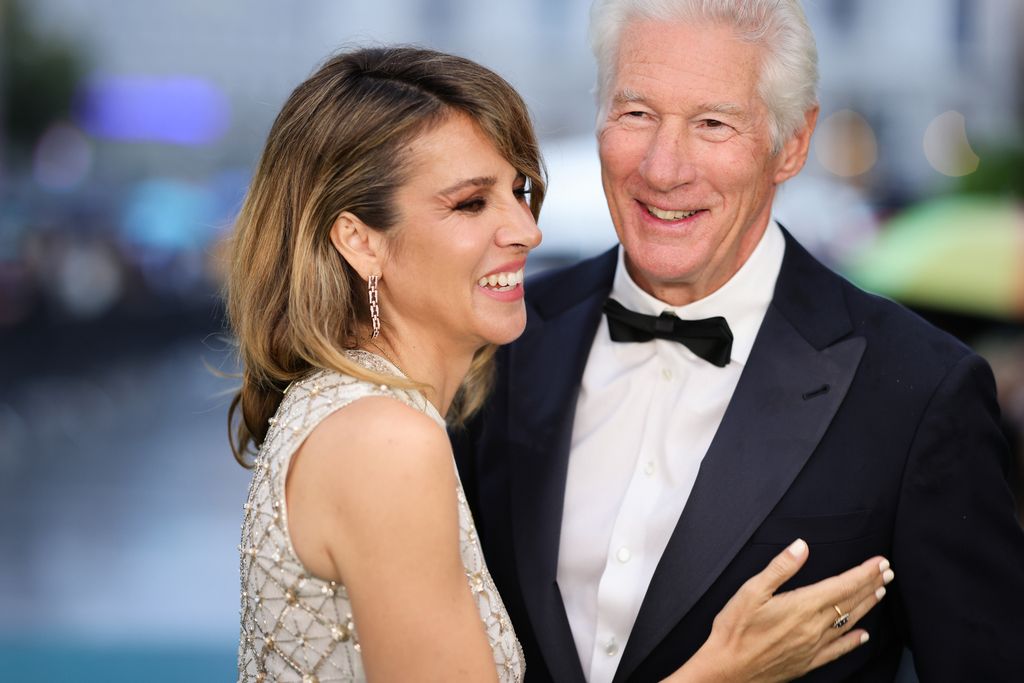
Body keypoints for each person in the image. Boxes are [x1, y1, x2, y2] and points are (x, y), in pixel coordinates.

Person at [227, 45, 891, 683]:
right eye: (469, 203)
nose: (525, 229)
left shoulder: (349, 411)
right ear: (359, 240)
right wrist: (724, 671)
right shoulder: (388, 441)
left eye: (518, 191)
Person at [451, 1, 1024, 682]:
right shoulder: (496, 336)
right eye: (636, 114)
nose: (663, 168)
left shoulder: (919, 388)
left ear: (793, 144)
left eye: (712, 123)